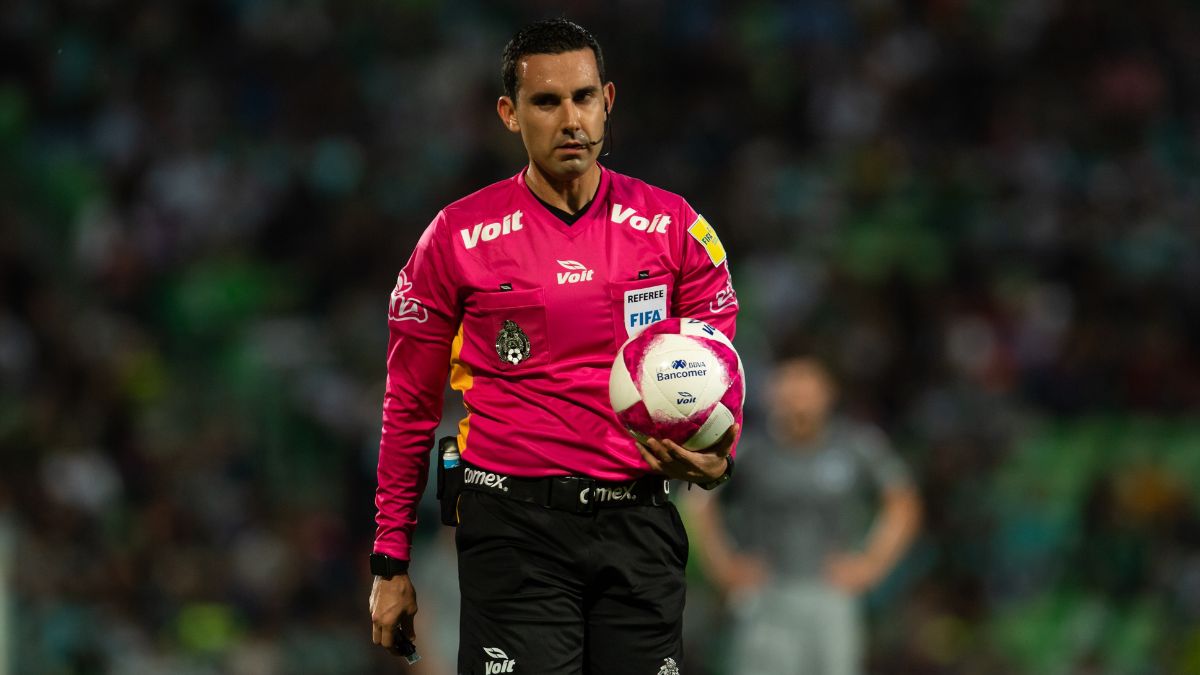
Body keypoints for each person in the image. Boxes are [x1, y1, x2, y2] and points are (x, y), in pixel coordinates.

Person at [367, 18, 740, 675]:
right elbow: (409, 406)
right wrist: (390, 559)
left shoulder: (676, 228)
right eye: (547, 101)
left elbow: (719, 374)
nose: (571, 118)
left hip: (639, 520)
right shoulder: (456, 238)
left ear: (608, 102)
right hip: (513, 528)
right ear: (509, 114)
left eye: (584, 97)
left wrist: (719, 454)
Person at [690, 354, 921, 675]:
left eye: (807, 390)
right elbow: (700, 500)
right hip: (766, 593)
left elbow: (902, 500)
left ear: (828, 394)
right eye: (790, 390)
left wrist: (871, 564)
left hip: (831, 594)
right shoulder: (748, 447)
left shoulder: (856, 445)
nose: (799, 401)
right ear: (772, 394)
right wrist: (723, 564)